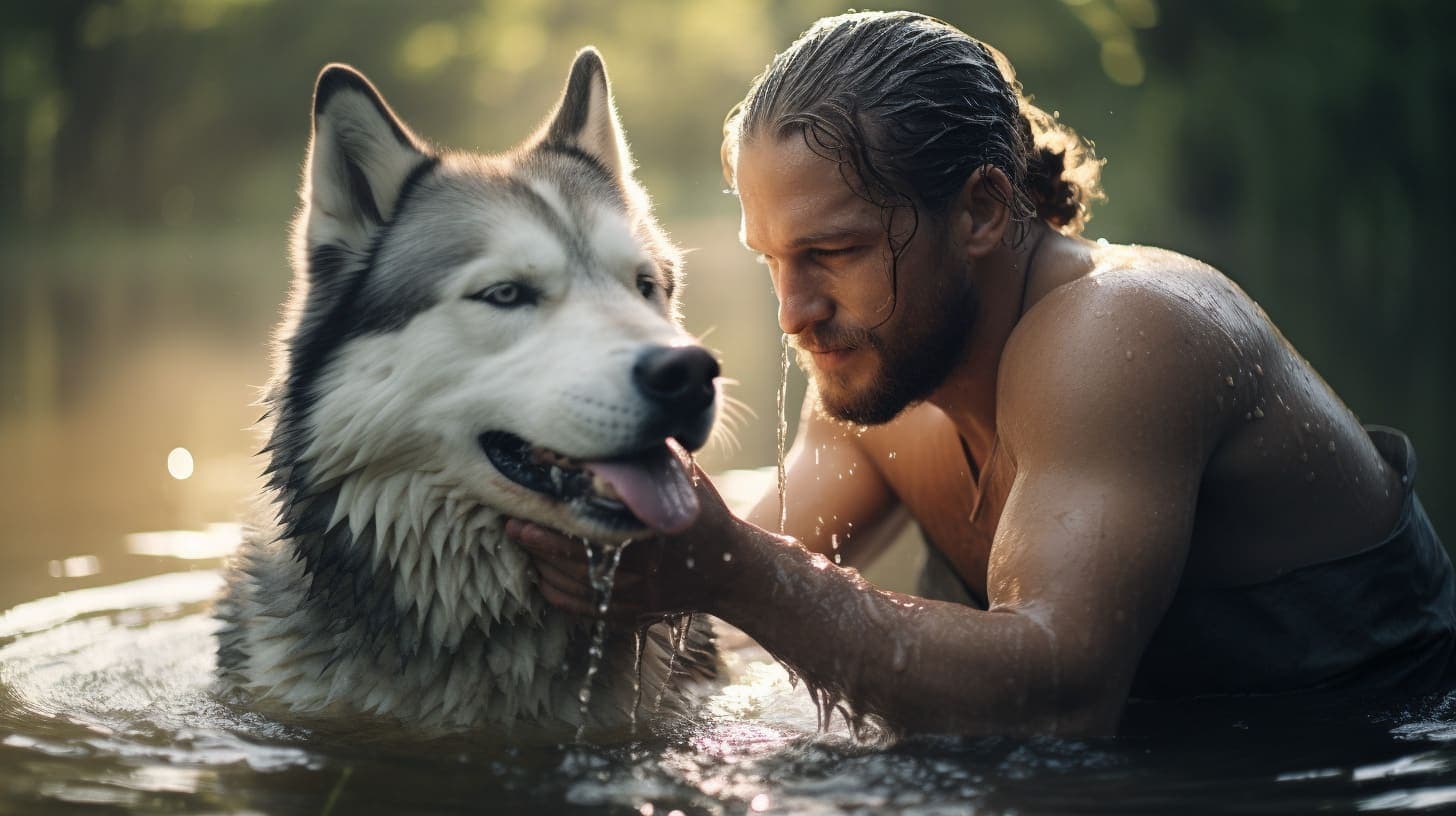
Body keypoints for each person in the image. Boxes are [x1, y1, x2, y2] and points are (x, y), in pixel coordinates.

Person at [508, 10, 1455, 736]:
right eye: (772, 261)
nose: (793, 311)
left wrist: (730, 571)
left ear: (982, 211)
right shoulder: (880, 384)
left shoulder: (1127, 330)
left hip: (1373, 755)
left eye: (833, 251)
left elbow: (1062, 695)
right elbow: (728, 584)